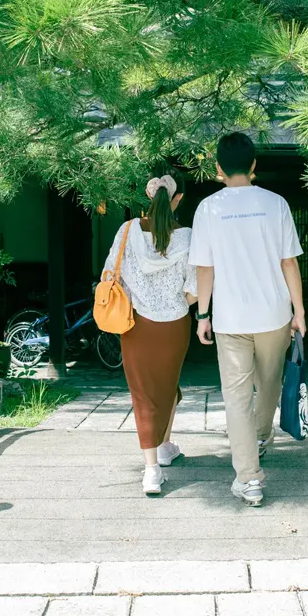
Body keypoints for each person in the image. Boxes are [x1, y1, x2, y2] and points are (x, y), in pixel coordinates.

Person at [191, 132, 306, 508]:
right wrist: (299, 311)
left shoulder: (208, 208)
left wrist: (202, 314)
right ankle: (258, 441)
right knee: (269, 385)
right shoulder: (275, 204)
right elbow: (289, 262)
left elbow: (204, 268)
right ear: (254, 165)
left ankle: (249, 479)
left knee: (236, 398)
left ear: (218, 168)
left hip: (230, 318)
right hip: (274, 313)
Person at [103, 174, 197, 496]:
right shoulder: (186, 237)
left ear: (148, 194)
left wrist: (141, 301)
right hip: (175, 324)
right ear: (178, 198)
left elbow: (108, 275)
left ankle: (152, 470)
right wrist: (172, 305)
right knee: (168, 384)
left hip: (135, 325)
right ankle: (164, 446)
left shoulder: (127, 231)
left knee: (143, 394)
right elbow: (195, 288)